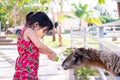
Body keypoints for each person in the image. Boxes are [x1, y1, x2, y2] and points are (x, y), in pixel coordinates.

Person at [13, 11, 57, 80]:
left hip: (29, 70)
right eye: (44, 31)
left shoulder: (29, 35)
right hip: (26, 71)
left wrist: (48, 53)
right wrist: (52, 52)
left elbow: (37, 49)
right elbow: (39, 45)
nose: (43, 34)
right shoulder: (29, 30)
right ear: (36, 25)